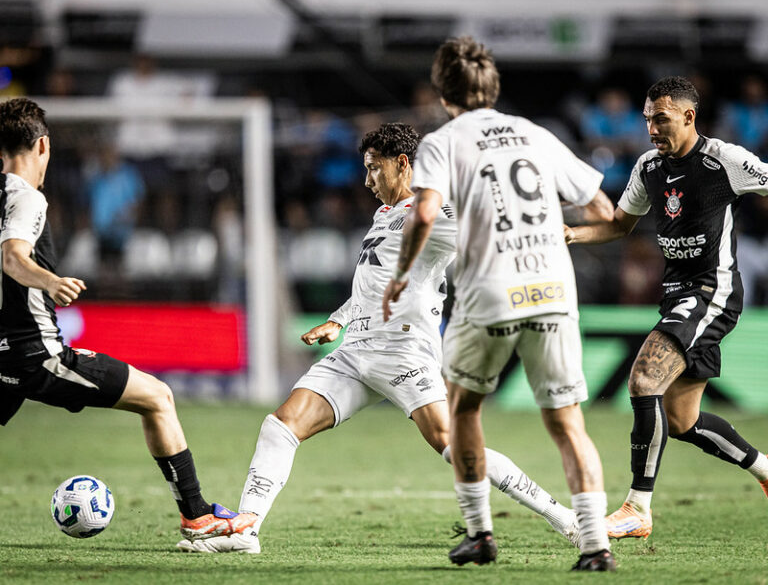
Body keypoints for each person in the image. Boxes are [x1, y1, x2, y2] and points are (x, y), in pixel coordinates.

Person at [178, 123, 581, 554]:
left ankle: (566, 518)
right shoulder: (385, 214)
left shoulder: (434, 212)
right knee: (280, 426)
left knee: (454, 447)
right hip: (356, 351)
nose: (368, 180)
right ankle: (246, 532)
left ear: (402, 163)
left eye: (374, 168)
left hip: (403, 352)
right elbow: (372, 285)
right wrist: (338, 321)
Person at [382, 38, 616, 572]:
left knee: (464, 409)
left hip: (490, 292)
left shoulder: (443, 142)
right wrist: (565, 229)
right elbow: (604, 208)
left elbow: (423, 214)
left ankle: (480, 534)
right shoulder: (537, 134)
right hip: (553, 290)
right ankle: (596, 546)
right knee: (568, 424)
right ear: (493, 88)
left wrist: (400, 276)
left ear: (444, 93)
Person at [0, 98, 254, 546]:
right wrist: (51, 281)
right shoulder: (27, 197)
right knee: (158, 397)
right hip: (37, 354)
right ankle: (197, 517)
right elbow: (12, 257)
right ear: (43, 146)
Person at [564, 76, 768, 539]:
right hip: (677, 295)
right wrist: (573, 233)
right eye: (647, 120)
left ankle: (637, 508)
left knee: (643, 380)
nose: (652, 129)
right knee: (681, 421)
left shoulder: (725, 160)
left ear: (689, 116)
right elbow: (619, 224)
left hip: (711, 291)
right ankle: (764, 468)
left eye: (661, 119)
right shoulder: (649, 167)